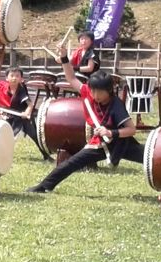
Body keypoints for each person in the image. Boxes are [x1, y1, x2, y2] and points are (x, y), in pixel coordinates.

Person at [26, 45, 145, 193]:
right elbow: (71, 78)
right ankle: (44, 186)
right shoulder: (89, 93)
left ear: (108, 91)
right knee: (71, 163)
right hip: (99, 144)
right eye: (93, 91)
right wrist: (64, 58)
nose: (94, 95)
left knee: (150, 158)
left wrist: (110, 133)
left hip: (121, 143)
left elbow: (131, 129)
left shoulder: (116, 105)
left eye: (98, 92)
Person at [0, 64, 53, 161]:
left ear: (21, 79)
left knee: (35, 135)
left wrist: (26, 113)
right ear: (7, 78)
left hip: (23, 116)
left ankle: (47, 156)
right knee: (4, 136)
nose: (14, 78)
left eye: (17, 76)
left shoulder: (21, 89)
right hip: (11, 116)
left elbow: (30, 104)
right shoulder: (4, 87)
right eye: (12, 75)